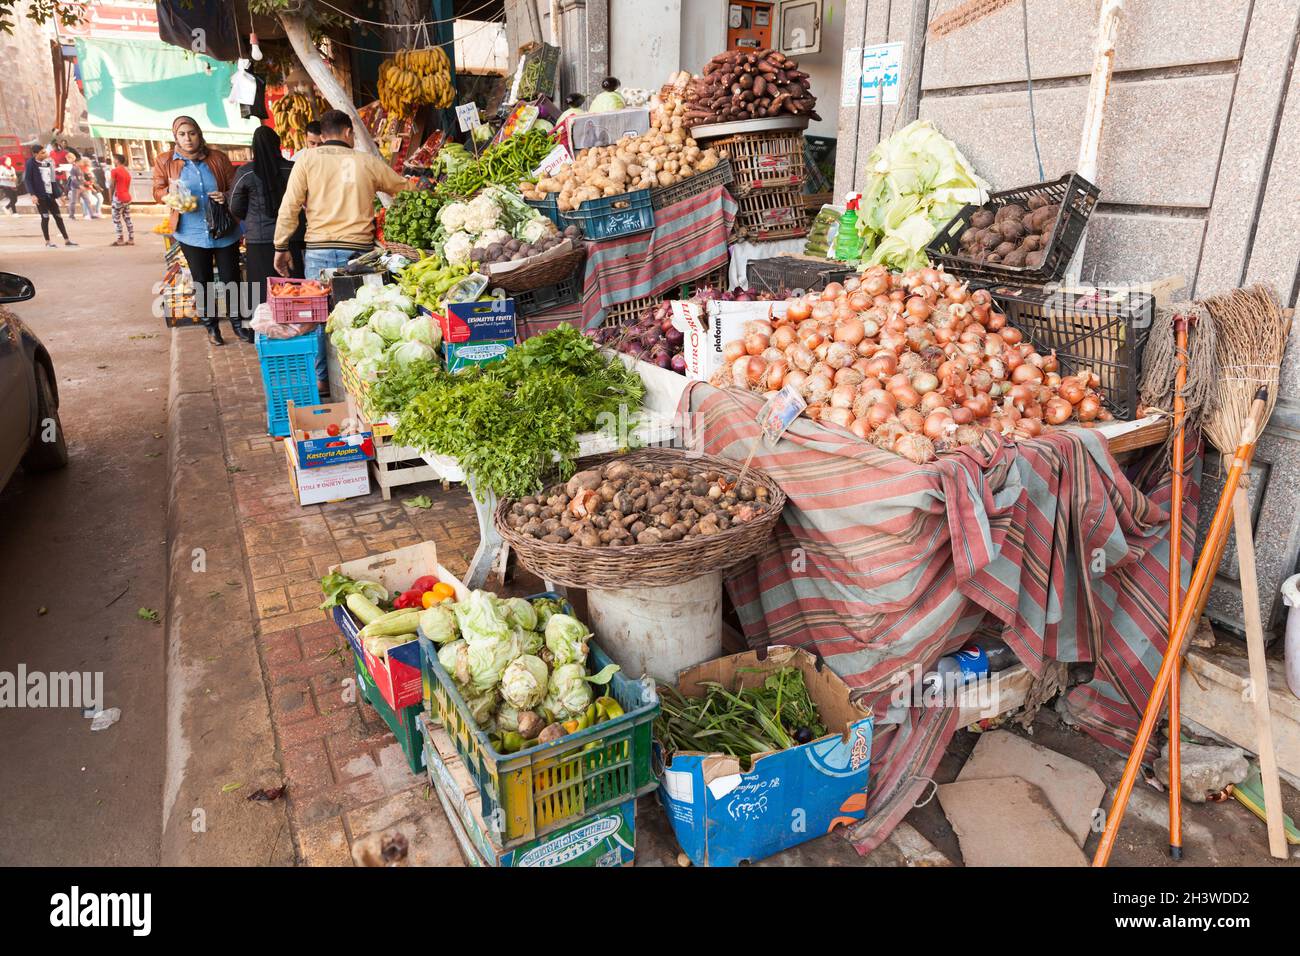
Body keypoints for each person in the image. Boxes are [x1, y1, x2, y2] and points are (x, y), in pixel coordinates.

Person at [273, 110, 409, 393]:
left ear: (322, 136)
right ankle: (360, 381)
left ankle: (323, 379)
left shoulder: (307, 160)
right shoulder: (366, 162)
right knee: (361, 315)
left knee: (320, 317)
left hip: (318, 252)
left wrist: (281, 246)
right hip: (358, 254)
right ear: (349, 133)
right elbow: (403, 188)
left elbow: (290, 206)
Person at [152, 115, 242, 346]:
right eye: (182, 134)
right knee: (202, 282)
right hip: (191, 232)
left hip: (224, 231)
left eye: (191, 133)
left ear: (199, 134)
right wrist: (171, 195)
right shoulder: (165, 161)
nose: (188, 138)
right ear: (175, 137)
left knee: (231, 278)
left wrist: (225, 195)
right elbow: (157, 190)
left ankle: (238, 323)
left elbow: (235, 187)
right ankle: (211, 328)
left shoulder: (217, 158)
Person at [229, 125, 305, 319]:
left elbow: (234, 205)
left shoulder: (245, 172)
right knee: (293, 286)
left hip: (259, 240)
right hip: (291, 238)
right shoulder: (292, 169)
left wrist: (251, 217)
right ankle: (295, 325)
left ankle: (261, 329)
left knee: (261, 289)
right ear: (277, 144)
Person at [23, 145, 75, 247]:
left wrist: (59, 196)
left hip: (50, 195)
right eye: (42, 153)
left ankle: (67, 240)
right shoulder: (30, 163)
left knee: (58, 217)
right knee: (45, 218)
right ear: (35, 154)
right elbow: (28, 180)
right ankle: (47, 241)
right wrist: (33, 195)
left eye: (45, 152)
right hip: (40, 196)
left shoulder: (48, 162)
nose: (45, 154)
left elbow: (52, 180)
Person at [109, 153, 134, 246]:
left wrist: (110, 197)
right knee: (127, 218)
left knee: (116, 219)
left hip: (118, 197)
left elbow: (112, 185)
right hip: (127, 197)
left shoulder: (115, 171)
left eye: (114, 159)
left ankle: (120, 239)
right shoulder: (127, 172)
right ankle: (131, 239)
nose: (113, 161)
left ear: (117, 160)